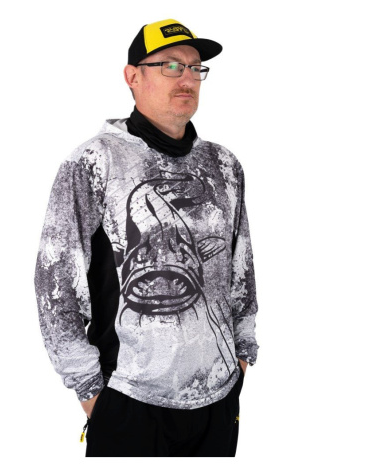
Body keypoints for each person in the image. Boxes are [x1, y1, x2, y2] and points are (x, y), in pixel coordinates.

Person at [34, 18, 259, 457]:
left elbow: (241, 268)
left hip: (219, 399)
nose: (186, 78)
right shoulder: (94, 160)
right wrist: (90, 393)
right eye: (170, 65)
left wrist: (243, 355)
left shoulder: (224, 165)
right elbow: (54, 284)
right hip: (129, 401)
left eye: (195, 67)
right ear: (132, 76)